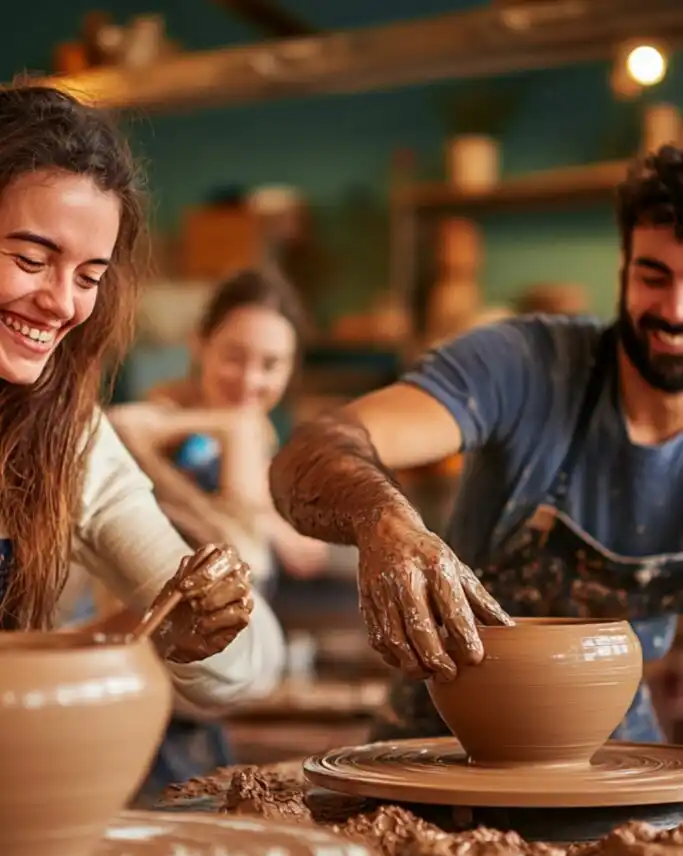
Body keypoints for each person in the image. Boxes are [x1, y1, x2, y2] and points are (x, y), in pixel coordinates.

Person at [269, 143, 683, 745]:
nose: (674, 310)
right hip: (438, 744)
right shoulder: (525, 365)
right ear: (624, 267)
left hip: (613, 756)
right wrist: (384, 522)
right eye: (654, 276)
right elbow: (312, 449)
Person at [0, 83, 284, 797]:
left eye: (89, 276)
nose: (63, 302)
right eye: (31, 260)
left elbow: (252, 665)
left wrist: (201, 628)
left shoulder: (67, 439)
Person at [109, 267, 329, 593]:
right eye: (234, 357)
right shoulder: (166, 413)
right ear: (199, 344)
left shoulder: (260, 431)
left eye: (270, 365)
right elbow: (119, 425)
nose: (249, 380)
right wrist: (232, 427)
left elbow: (309, 550)